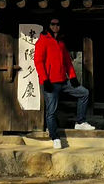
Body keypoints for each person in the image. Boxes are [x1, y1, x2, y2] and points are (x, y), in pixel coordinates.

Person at [34, 17, 94, 149]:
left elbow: (67, 62)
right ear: (48, 26)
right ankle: (55, 137)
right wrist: (45, 80)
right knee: (51, 111)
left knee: (84, 93)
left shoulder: (61, 43)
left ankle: (80, 121)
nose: (55, 26)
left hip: (63, 80)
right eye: (53, 24)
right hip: (50, 82)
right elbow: (38, 62)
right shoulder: (42, 41)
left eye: (58, 24)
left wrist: (72, 77)